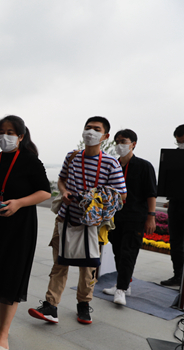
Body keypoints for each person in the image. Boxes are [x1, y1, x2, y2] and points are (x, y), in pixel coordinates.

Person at [28, 116, 126, 325]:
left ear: (105, 136)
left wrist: (95, 198)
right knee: (59, 263)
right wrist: (64, 192)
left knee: (88, 267)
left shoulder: (111, 163)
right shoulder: (72, 156)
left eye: (96, 129)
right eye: (88, 128)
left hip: (92, 224)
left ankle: (83, 304)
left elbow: (121, 195)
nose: (90, 132)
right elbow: (61, 179)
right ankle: (51, 306)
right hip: (66, 218)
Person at [0, 116, 51, 350]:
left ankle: (4, 333)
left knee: (11, 276)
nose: (4, 136)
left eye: (10, 132)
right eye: (1, 131)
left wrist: (19, 202)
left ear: (20, 136)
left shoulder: (30, 160)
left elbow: (45, 192)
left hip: (20, 226)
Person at [102, 129, 157, 304]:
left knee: (128, 252)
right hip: (116, 216)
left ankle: (121, 289)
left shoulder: (144, 166)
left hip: (135, 216)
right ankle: (125, 283)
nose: (120, 145)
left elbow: (151, 193)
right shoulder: (114, 165)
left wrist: (151, 216)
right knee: (118, 251)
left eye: (123, 141)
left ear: (133, 144)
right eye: (117, 141)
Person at [161, 125, 184, 287]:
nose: (180, 145)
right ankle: (178, 275)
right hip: (176, 204)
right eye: (178, 143)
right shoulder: (174, 157)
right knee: (176, 242)